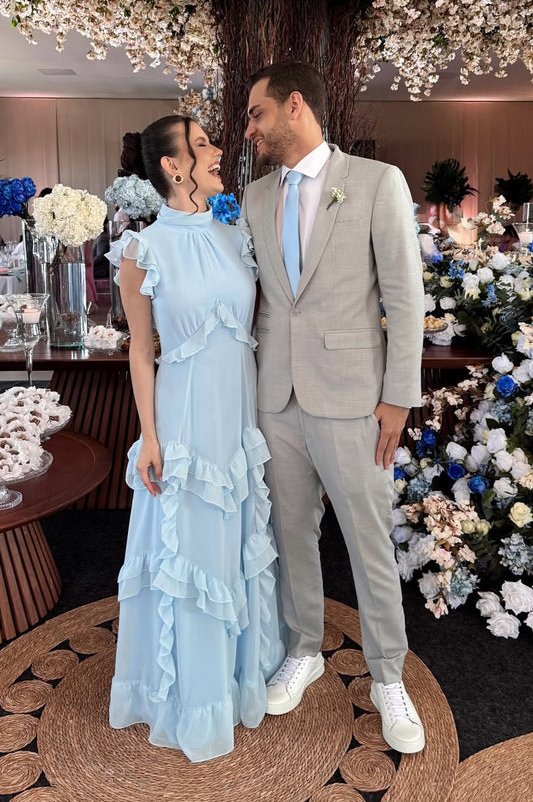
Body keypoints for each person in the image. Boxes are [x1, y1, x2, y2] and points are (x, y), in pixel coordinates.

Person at [242, 61, 426, 754]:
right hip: (276, 395)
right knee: (291, 531)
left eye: (258, 114)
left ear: (296, 106)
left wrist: (396, 399)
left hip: (354, 398)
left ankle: (387, 675)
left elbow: (405, 300)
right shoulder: (256, 196)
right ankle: (302, 647)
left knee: (368, 540)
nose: (252, 128)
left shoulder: (377, 184)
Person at [107, 115, 284, 762]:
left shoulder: (235, 236)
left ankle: (238, 677)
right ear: (172, 166)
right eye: (203, 144)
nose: (218, 152)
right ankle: (190, 695)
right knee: (189, 557)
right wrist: (149, 437)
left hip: (235, 423)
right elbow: (140, 352)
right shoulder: (140, 251)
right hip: (181, 427)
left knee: (233, 543)